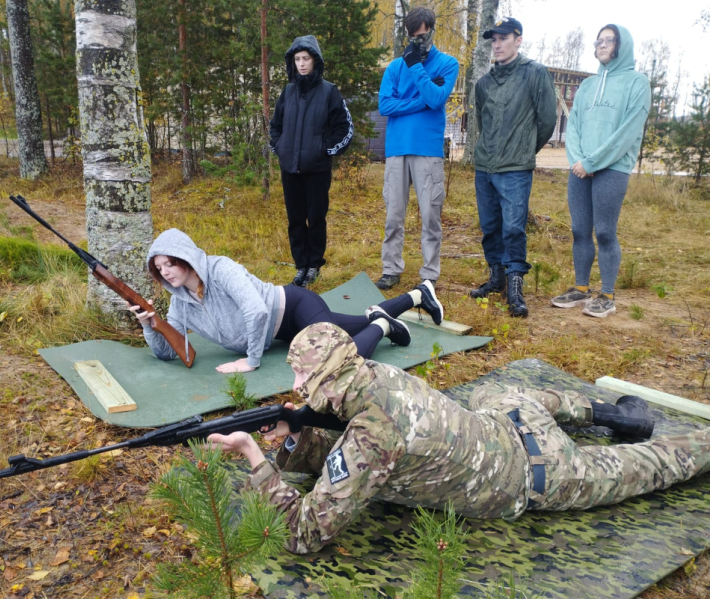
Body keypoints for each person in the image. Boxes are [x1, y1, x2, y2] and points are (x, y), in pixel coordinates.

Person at [208, 322, 710, 555]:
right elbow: (352, 450)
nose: (297, 388)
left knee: (646, 469)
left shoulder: (370, 437)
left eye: (306, 380)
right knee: (502, 391)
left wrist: (256, 458)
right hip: (509, 421)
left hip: (538, 477)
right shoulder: (377, 374)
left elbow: (304, 534)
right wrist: (294, 439)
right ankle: (603, 411)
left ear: (334, 381)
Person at [128, 229, 444, 373]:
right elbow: (171, 353)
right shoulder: (180, 304)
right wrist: (149, 326)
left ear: (187, 257)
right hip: (283, 335)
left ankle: (385, 329)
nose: (166, 273)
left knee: (335, 362)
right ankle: (419, 295)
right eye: (159, 269)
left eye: (170, 263)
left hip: (293, 306)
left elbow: (257, 311)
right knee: (358, 323)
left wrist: (251, 362)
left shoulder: (220, 268)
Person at [551, 25, 650, 318]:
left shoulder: (637, 82)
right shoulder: (588, 86)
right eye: (599, 41)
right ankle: (581, 289)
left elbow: (628, 132)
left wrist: (593, 162)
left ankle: (607, 294)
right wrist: (579, 161)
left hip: (613, 168)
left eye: (610, 40)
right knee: (579, 229)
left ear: (623, 45)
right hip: (580, 169)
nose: (602, 45)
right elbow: (574, 126)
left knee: (605, 232)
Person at [470, 17, 557, 317]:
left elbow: (547, 121)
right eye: (493, 39)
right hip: (485, 166)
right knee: (490, 225)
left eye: (503, 38)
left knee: (514, 228)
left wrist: (523, 150)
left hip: (515, 168)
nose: (496, 44)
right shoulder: (483, 83)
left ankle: (516, 287)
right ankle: (497, 278)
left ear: (518, 40)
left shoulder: (535, 73)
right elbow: (482, 123)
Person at [374, 6, 459, 291]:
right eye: (413, 36)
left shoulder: (448, 64)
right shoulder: (396, 67)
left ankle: (429, 273)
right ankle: (391, 268)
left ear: (432, 31)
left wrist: (418, 71)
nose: (418, 41)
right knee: (393, 214)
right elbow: (385, 105)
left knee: (430, 215)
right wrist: (421, 101)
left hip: (427, 149)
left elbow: (437, 98)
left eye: (422, 35)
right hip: (397, 149)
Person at [270, 35, 353, 289]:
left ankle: (314, 265)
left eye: (306, 58)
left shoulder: (329, 91)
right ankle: (300, 266)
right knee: (295, 219)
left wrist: (323, 150)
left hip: (316, 169)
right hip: (290, 170)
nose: (302, 64)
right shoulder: (288, 91)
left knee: (315, 218)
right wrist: (281, 148)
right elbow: (275, 126)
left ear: (315, 60)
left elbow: (345, 129)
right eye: (297, 59)